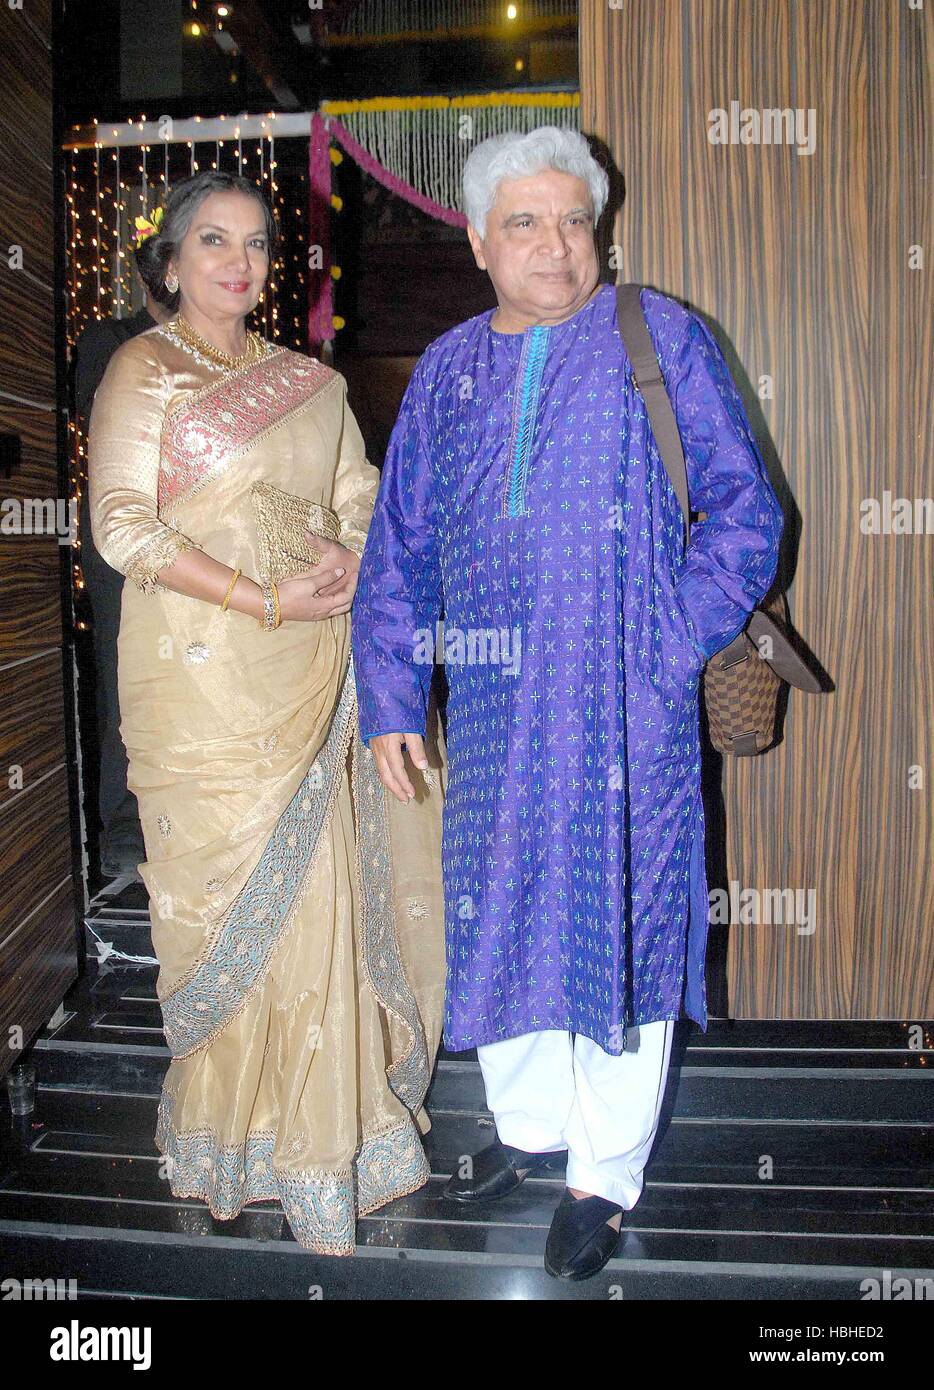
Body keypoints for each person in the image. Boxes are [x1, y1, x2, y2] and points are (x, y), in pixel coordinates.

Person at [351, 127, 783, 1280]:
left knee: (621, 923)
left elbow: (746, 512)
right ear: (480, 240)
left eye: (574, 221)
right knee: (500, 911)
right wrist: (391, 693)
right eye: (525, 223)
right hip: (489, 704)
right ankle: (531, 1130)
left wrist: (665, 638)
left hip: (619, 701)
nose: (555, 246)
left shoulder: (658, 335)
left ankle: (602, 1170)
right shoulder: (446, 370)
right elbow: (399, 549)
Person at [88, 171, 446, 1254]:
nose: (237, 263)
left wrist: (348, 549)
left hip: (310, 669)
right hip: (201, 686)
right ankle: (233, 1136)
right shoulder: (140, 371)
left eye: (253, 244)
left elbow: (359, 489)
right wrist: (260, 598)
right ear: (170, 263)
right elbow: (118, 526)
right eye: (212, 241)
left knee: (323, 901)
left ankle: (330, 1135)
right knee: (224, 916)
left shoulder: (310, 381)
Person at [73, 258, 172, 880]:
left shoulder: (224, 349)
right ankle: (124, 825)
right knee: (122, 678)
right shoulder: (112, 343)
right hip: (123, 543)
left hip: (197, 536)